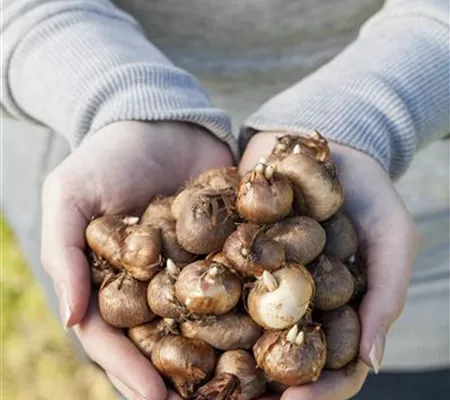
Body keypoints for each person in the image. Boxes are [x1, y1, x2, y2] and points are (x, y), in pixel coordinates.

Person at [2, 0, 449, 399]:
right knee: (133, 375)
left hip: (427, 268)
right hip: (89, 145)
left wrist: (373, 114)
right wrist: (115, 100)